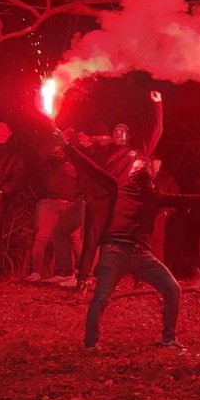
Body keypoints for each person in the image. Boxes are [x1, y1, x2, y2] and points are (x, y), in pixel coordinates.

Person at [57, 128, 200, 349]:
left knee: (173, 289)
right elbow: (91, 168)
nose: (140, 168)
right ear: (132, 174)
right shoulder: (117, 188)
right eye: (138, 167)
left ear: (149, 175)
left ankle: (168, 338)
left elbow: (185, 199)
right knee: (101, 298)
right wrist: (66, 147)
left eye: (143, 167)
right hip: (114, 251)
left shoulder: (155, 197)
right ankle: (91, 344)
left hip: (141, 254)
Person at [72, 90, 163, 290]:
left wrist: (157, 105)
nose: (120, 133)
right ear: (113, 135)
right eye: (117, 131)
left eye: (124, 131)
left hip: (124, 202)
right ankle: (83, 278)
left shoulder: (137, 152)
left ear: (128, 136)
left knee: (131, 240)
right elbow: (88, 169)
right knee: (92, 240)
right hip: (101, 201)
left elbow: (156, 130)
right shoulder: (104, 152)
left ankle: (141, 277)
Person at [25, 141, 83, 282]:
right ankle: (36, 272)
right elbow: (36, 154)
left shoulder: (75, 159)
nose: (59, 150)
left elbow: (83, 177)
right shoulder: (45, 161)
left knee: (76, 239)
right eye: (56, 146)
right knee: (42, 237)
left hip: (72, 203)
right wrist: (50, 144)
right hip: (48, 202)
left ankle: (80, 273)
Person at [0, 122, 26, 270]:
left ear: (9, 133)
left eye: (1, 127)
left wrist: (3, 190)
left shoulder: (14, 154)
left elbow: (17, 176)